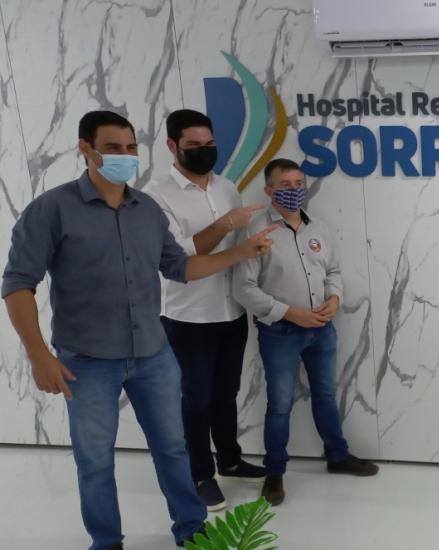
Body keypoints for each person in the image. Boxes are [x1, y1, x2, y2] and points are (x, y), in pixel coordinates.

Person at [1, 111, 276, 550]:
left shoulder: (145, 209)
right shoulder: (52, 210)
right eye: (113, 148)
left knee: (173, 449)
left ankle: (191, 528)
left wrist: (240, 252)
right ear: (85, 149)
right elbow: (18, 283)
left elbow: (180, 267)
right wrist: (38, 356)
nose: (125, 156)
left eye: (131, 148)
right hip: (86, 361)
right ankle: (106, 541)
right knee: (95, 462)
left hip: (153, 354)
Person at [233, 158, 378, 506]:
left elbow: (334, 271)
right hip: (280, 332)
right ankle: (275, 472)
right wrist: (291, 314)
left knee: (326, 395)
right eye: (285, 185)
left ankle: (337, 456)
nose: (295, 190)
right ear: (269, 190)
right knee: (280, 405)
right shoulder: (256, 231)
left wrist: (334, 298)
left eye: (299, 184)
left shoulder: (319, 228)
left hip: (322, 329)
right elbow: (243, 288)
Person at [146, 109, 267, 512]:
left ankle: (229, 459)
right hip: (188, 317)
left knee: (226, 393)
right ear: (172, 146)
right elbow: (179, 256)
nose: (204, 151)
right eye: (194, 145)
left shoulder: (227, 187)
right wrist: (226, 225)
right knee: (195, 399)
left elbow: (242, 252)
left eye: (209, 143)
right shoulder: (156, 195)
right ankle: (200, 474)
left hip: (231, 310)